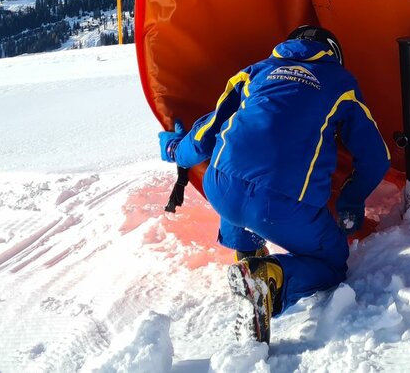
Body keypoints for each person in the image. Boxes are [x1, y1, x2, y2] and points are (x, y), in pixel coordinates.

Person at [160, 26, 390, 343]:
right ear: (333, 55)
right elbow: (376, 157)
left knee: (240, 169)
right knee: (332, 262)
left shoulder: (253, 72)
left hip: (220, 186)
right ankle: (266, 281)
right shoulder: (341, 83)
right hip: (283, 203)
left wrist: (174, 150)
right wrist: (351, 198)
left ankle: (247, 256)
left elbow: (204, 134)